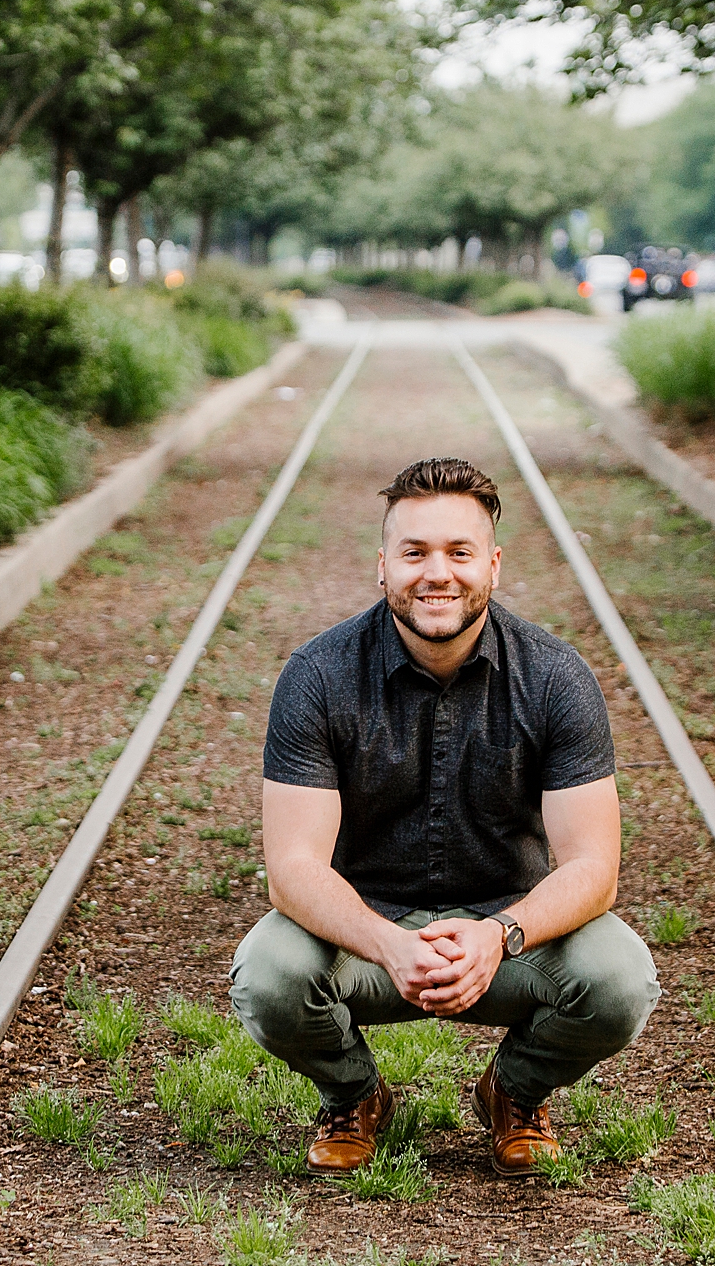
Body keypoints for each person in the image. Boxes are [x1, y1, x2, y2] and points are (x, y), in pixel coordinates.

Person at [229, 456, 659, 1178]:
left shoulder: (556, 677)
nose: (438, 573)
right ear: (382, 566)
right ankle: (355, 1095)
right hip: (365, 937)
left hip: (507, 932)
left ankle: (514, 1092)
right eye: (415, 552)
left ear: (492, 563)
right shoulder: (318, 674)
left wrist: (500, 934)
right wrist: (386, 942)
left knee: (621, 979)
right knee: (268, 974)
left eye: (460, 552)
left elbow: (594, 867)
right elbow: (292, 868)